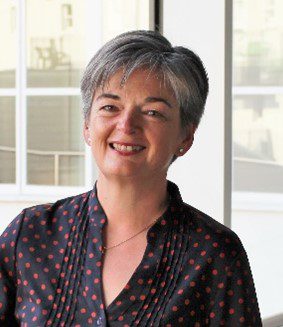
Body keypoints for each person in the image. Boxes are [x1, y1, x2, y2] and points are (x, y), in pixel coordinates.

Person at [0, 30, 261, 326]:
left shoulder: (214, 254)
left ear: (186, 136)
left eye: (152, 112)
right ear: (87, 125)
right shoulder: (31, 236)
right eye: (110, 107)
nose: (126, 125)